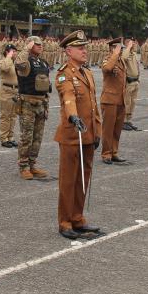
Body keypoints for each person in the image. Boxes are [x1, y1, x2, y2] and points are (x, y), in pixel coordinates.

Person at [53, 30, 103, 239]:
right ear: (68, 51)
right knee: (68, 181)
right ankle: (65, 222)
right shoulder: (64, 74)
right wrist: (73, 116)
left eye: (85, 47)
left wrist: (98, 131)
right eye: (80, 48)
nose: (84, 51)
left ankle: (77, 218)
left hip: (88, 135)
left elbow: (93, 106)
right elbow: (68, 98)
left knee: (83, 178)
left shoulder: (87, 73)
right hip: (72, 135)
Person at [15, 36, 52, 179]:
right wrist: (26, 48)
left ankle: (32, 164)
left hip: (41, 104)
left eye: (41, 44)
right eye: (36, 44)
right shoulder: (26, 62)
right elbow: (19, 63)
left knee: (37, 138)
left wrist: (46, 105)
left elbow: (46, 86)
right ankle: (23, 166)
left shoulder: (43, 63)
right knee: (27, 137)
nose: (40, 46)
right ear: (30, 45)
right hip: (27, 104)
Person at [100, 37, 128, 164]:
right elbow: (107, 69)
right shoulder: (108, 59)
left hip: (120, 99)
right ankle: (106, 153)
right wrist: (115, 55)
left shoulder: (121, 61)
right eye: (118, 48)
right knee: (108, 129)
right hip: (109, 100)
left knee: (117, 129)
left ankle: (114, 152)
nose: (121, 51)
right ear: (112, 48)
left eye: (121, 49)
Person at [0, 43, 19, 147]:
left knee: (13, 116)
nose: (15, 53)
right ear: (7, 52)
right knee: (5, 116)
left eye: (15, 51)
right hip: (6, 92)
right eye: (13, 51)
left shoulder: (15, 63)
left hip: (15, 92)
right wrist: (9, 56)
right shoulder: (3, 62)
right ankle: (4, 138)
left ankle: (10, 137)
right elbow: (5, 68)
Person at [122, 37, 141, 131]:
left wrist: (138, 79)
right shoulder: (125, 53)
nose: (133, 44)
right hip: (129, 82)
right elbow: (123, 58)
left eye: (133, 43)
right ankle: (124, 121)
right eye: (131, 43)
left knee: (133, 102)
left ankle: (129, 120)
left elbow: (137, 66)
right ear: (126, 44)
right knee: (127, 102)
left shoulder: (134, 54)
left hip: (135, 81)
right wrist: (128, 47)